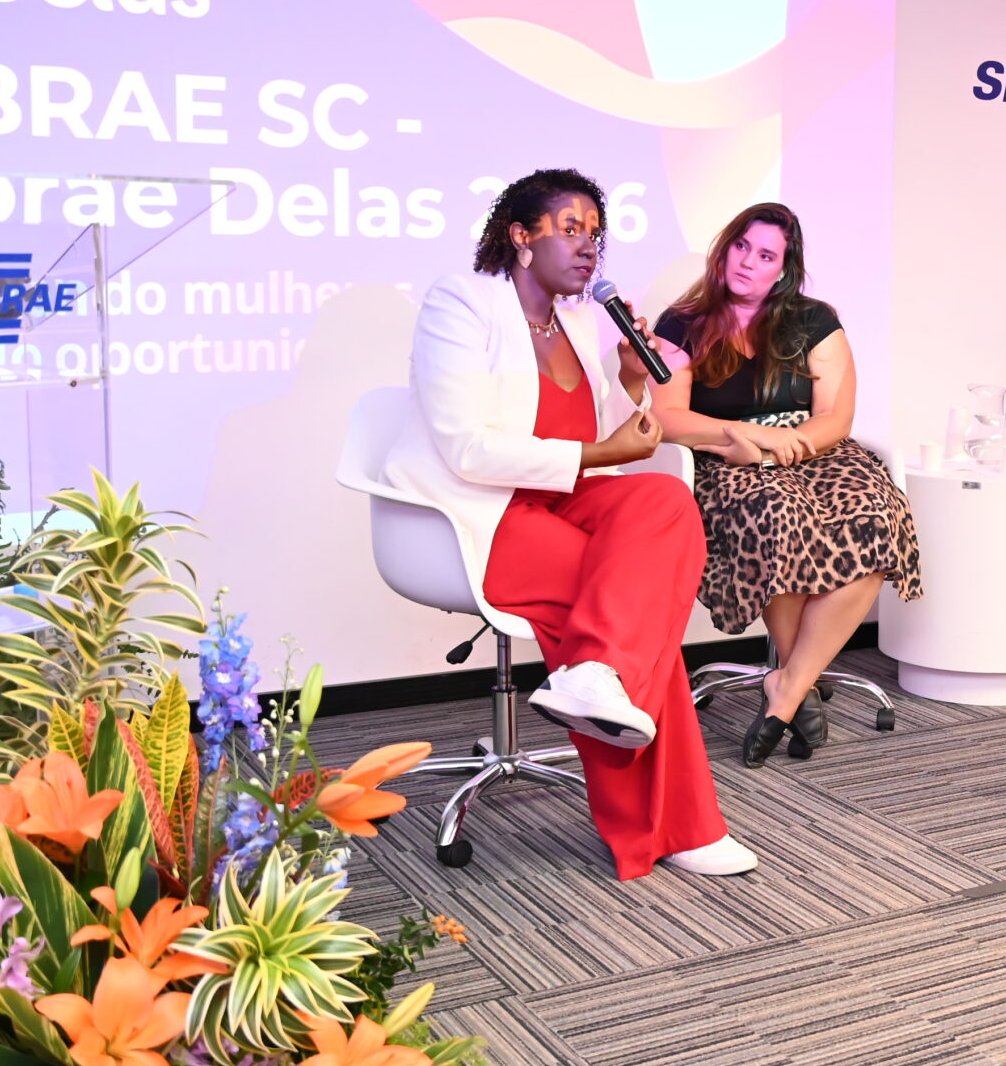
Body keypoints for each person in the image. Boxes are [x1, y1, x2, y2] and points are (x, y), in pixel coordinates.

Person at [377, 168, 756, 879]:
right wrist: (607, 452)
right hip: (480, 513)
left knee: (666, 502)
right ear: (521, 236)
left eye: (596, 234)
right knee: (629, 604)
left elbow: (598, 434)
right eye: (571, 228)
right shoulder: (461, 303)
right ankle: (679, 825)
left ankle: (596, 674)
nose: (588, 246)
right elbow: (468, 447)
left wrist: (632, 377)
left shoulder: (579, 320)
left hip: (563, 498)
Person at [649, 203, 922, 766]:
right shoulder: (682, 322)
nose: (748, 262)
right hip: (729, 459)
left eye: (765, 255)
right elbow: (669, 417)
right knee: (777, 514)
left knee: (876, 516)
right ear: (725, 248)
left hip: (814, 452)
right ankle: (799, 685)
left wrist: (786, 444)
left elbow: (835, 418)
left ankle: (790, 684)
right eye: (741, 246)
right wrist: (746, 435)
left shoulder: (814, 321)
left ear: (783, 269)